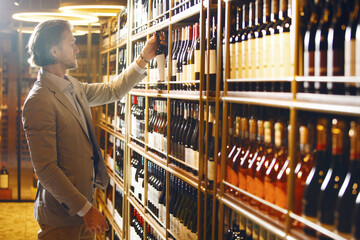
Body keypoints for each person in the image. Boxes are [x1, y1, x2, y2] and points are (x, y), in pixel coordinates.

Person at [22, 19, 162, 240]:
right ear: (54, 51)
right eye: (72, 44)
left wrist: (144, 57)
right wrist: (86, 210)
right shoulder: (39, 101)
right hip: (61, 215)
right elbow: (46, 169)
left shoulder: (73, 86)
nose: (77, 49)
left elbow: (113, 90)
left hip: (85, 207)